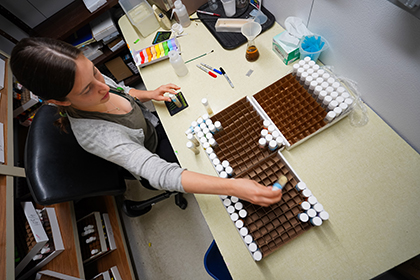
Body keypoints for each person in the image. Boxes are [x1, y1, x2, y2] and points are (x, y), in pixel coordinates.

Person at [11, 37, 282, 209]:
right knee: (222, 164)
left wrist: (147, 94)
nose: (101, 85)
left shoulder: (90, 79)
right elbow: (159, 173)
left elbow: (118, 89)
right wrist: (235, 188)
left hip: (153, 125)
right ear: (61, 102)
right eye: (86, 90)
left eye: (95, 71)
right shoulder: (96, 135)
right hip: (154, 150)